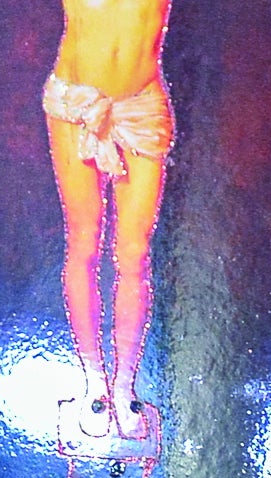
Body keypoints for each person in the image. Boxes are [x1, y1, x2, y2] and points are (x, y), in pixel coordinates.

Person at [43, 0, 175, 435]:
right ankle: (93, 384)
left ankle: (125, 387)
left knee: (134, 254)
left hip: (140, 107)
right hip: (75, 104)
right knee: (84, 241)